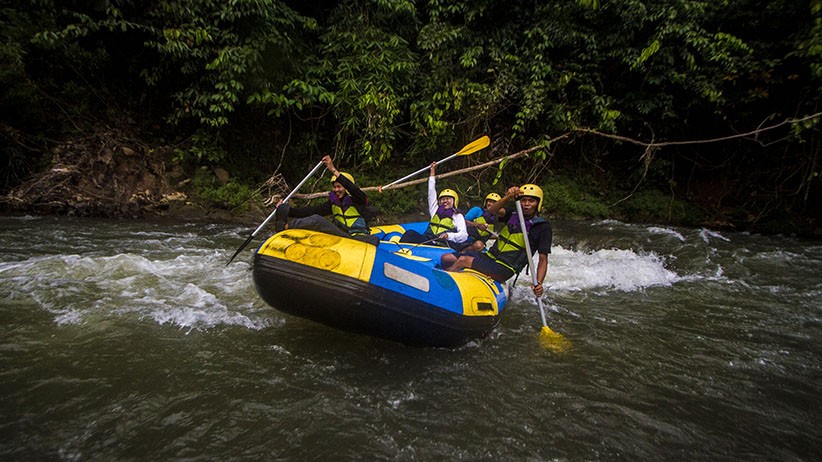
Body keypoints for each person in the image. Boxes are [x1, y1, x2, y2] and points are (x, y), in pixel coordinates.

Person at [440, 184, 552, 297]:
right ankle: (453, 277)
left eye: (531, 201)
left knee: (464, 260)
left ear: (538, 203)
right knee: (446, 258)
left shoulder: (542, 227)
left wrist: (539, 283)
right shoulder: (512, 214)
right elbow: (492, 210)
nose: (527, 204)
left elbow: (543, 259)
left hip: (505, 268)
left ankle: (442, 285)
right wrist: (508, 197)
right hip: (489, 257)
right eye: (523, 200)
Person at [275, 155, 379, 245]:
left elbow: (352, 188)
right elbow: (310, 211)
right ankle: (285, 227)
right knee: (316, 219)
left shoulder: (358, 199)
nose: (336, 190)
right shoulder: (333, 204)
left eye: (339, 187)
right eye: (335, 187)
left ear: (346, 187)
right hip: (342, 237)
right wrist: (287, 210)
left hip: (358, 238)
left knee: (374, 240)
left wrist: (333, 169)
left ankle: (287, 227)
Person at [399, 162, 468, 249]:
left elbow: (464, 235)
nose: (445, 201)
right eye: (443, 199)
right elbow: (431, 192)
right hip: (428, 241)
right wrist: (432, 172)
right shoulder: (435, 210)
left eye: (448, 199)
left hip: (442, 246)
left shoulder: (458, 216)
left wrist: (449, 235)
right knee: (410, 233)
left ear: (454, 201)